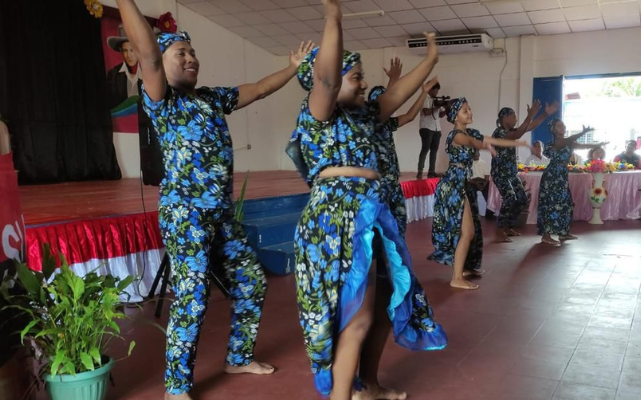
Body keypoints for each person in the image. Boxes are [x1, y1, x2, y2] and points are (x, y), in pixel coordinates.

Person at [115, 1, 313, 399]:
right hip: (186, 216)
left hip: (220, 214)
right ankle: (176, 388)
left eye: (192, 52)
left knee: (251, 282)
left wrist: (293, 67)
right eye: (180, 53)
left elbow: (257, 89)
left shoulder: (211, 98)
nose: (190, 58)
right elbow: (149, 56)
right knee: (192, 297)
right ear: (161, 63)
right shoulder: (163, 100)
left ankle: (238, 357)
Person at [289, 2, 446, 398]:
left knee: (378, 314)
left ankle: (368, 386)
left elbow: (398, 92)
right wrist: (333, 19)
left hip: (373, 214)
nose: (364, 84)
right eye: (356, 77)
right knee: (354, 321)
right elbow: (325, 80)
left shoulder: (365, 116)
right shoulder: (318, 113)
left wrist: (430, 58)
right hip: (337, 219)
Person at [428, 98, 533, 290]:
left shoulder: (470, 132)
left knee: (469, 232)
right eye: (465, 111)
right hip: (452, 185)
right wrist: (482, 145)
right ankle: (457, 277)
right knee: (467, 232)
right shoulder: (455, 135)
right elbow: (470, 141)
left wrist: (523, 143)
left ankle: (461, 273)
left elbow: (492, 139)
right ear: (455, 116)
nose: (470, 113)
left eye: (470, 109)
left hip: (460, 185)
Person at [368, 63, 439, 236]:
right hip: (375, 187)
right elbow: (385, 103)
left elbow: (409, 116)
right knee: (377, 230)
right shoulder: (368, 124)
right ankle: (382, 260)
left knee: (398, 225)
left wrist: (423, 93)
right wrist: (393, 81)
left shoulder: (388, 123)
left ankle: (394, 260)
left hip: (392, 185)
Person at [491, 102, 558, 242]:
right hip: (500, 173)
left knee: (521, 199)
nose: (516, 119)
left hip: (511, 173)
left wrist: (545, 114)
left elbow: (529, 126)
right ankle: (499, 230)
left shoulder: (511, 131)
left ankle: (507, 226)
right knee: (510, 198)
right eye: (514, 117)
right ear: (506, 117)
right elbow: (518, 133)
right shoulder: (499, 132)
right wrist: (530, 114)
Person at [538, 119, 607, 246]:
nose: (563, 127)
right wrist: (583, 132)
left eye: (563, 125)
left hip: (562, 174)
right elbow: (567, 141)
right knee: (551, 204)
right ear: (553, 129)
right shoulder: (553, 142)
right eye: (559, 125)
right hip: (552, 175)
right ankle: (546, 235)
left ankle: (563, 233)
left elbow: (582, 146)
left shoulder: (568, 142)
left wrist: (598, 145)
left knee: (566, 203)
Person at [106, 25, 141, 110]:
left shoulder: (148, 73)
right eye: (125, 50)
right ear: (121, 51)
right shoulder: (113, 75)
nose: (129, 55)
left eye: (132, 50)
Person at [417, 81, 446, 178]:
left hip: (436, 128)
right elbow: (426, 112)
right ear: (430, 89)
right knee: (425, 149)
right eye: (435, 90)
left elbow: (441, 115)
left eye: (437, 90)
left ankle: (431, 171)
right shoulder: (425, 98)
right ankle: (420, 171)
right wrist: (437, 106)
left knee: (434, 150)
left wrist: (447, 107)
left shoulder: (436, 100)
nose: (436, 93)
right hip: (426, 127)